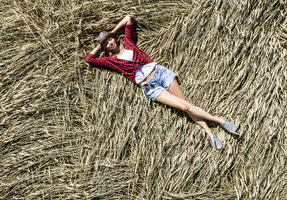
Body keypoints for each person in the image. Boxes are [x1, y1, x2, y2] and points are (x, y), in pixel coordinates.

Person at [85, 15, 238, 149]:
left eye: (110, 39)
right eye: (106, 44)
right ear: (105, 48)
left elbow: (128, 19)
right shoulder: (110, 61)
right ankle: (219, 121)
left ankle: (210, 134)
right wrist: (101, 43)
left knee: (186, 104)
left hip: (160, 73)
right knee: (185, 106)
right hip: (150, 87)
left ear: (115, 38)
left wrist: (112, 32)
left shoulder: (128, 41)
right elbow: (89, 59)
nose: (109, 43)